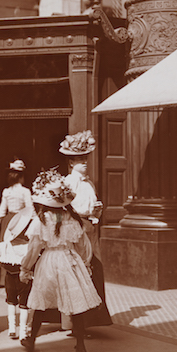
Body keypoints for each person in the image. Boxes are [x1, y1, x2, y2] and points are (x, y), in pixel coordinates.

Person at [19, 168, 102, 352]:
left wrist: (25, 267)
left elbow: (34, 248)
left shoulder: (40, 220)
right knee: (75, 303)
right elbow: (82, 245)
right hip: (69, 259)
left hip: (49, 260)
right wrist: (85, 262)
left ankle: (31, 339)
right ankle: (80, 345)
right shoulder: (72, 219)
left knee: (40, 301)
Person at [60, 130, 113, 329]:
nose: (84, 162)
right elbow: (66, 206)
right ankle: (76, 322)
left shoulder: (88, 182)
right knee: (80, 270)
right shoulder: (69, 181)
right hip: (77, 227)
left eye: (85, 158)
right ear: (71, 162)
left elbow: (89, 204)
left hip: (90, 227)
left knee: (94, 269)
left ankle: (91, 319)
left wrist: (96, 212)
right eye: (79, 159)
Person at [0, 159, 33, 288]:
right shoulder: (25, 191)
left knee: (7, 246)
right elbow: (30, 208)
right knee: (19, 247)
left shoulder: (6, 191)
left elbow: (2, 211)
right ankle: (19, 272)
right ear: (22, 176)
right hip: (22, 220)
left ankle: (4, 277)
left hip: (8, 221)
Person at [0, 204, 34, 340]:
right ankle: (23, 331)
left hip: (9, 276)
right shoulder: (28, 247)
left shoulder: (5, 245)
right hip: (25, 277)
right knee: (24, 304)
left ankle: (12, 328)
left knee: (11, 301)